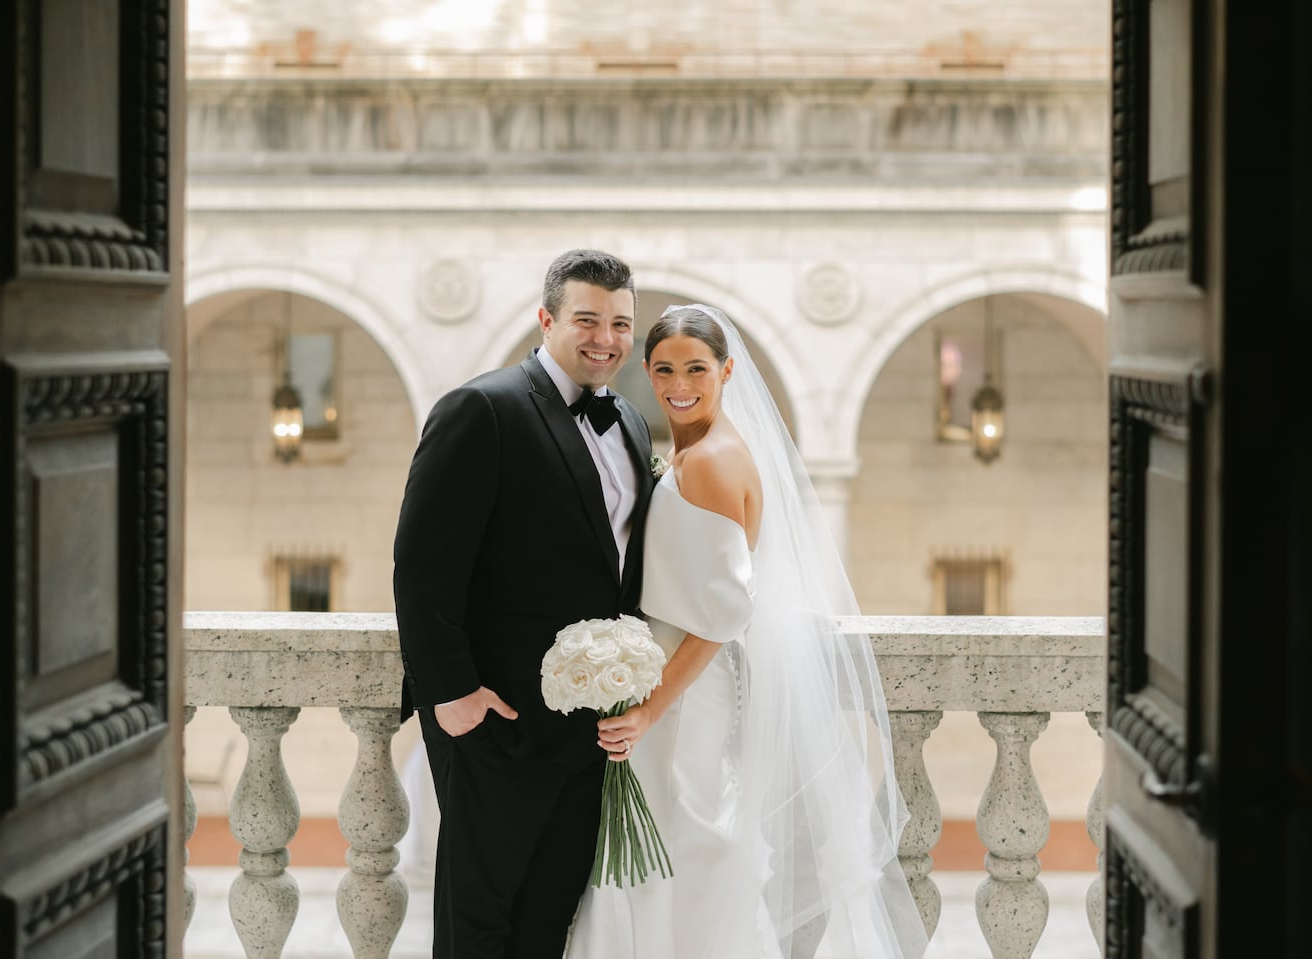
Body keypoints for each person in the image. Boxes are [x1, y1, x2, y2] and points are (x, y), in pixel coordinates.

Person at [567, 305, 930, 959]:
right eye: (666, 369)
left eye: (697, 368)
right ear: (647, 373)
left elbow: (720, 619)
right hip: (672, 681)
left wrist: (649, 709)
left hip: (684, 694)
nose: (680, 383)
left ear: (726, 369)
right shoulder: (694, 449)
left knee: (689, 849)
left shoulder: (712, 461)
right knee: (667, 859)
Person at [393, 249, 656, 959]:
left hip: (587, 733)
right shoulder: (481, 408)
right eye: (588, 319)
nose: (607, 338)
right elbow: (422, 567)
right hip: (496, 724)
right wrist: (452, 696)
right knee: (478, 927)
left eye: (622, 323)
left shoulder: (630, 421)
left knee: (549, 921)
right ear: (547, 319)